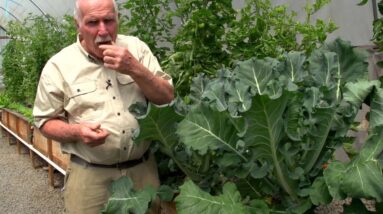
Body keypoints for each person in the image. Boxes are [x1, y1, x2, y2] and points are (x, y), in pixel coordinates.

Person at [32, 0, 174, 213]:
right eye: (92, 22)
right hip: (91, 178)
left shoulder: (136, 49)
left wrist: (135, 68)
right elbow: (44, 121)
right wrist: (77, 132)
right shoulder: (59, 65)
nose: (103, 30)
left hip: (142, 172)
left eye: (109, 20)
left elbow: (166, 97)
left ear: (118, 19)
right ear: (77, 24)